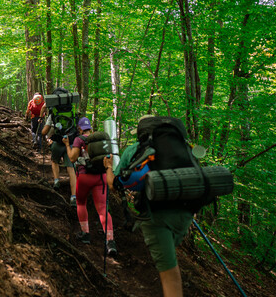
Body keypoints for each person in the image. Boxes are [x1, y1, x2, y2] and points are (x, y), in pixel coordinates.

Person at [104, 116, 193, 297]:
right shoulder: (180, 148)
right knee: (169, 258)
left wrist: (107, 167)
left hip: (156, 216)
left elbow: (114, 184)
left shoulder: (135, 150)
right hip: (186, 212)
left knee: (170, 275)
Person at [63, 117, 117, 257]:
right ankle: (110, 242)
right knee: (103, 209)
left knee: (81, 202)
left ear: (80, 129)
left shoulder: (78, 140)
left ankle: (85, 234)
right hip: (101, 177)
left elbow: (73, 158)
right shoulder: (98, 140)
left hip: (84, 177)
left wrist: (67, 145)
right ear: (90, 128)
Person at [41, 106, 77, 207]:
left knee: (54, 161)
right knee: (71, 168)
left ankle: (56, 180)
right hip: (69, 143)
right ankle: (73, 196)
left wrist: (45, 134)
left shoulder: (54, 114)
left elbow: (44, 132)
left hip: (57, 143)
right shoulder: (72, 111)